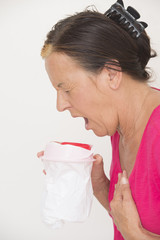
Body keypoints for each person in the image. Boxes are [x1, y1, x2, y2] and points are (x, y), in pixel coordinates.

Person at [37, 0, 160, 239]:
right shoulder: (120, 123)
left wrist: (135, 234)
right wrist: (100, 184)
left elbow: (133, 230)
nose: (60, 105)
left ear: (111, 75)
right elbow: (131, 219)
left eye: (67, 89)